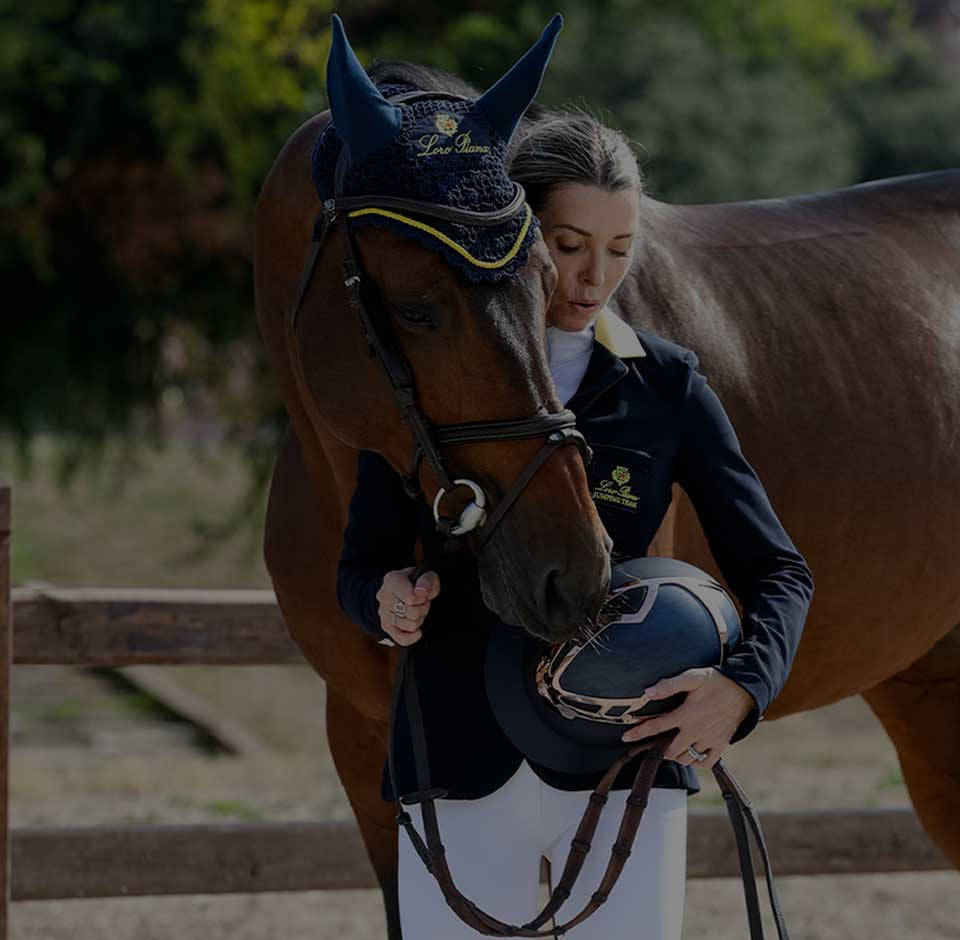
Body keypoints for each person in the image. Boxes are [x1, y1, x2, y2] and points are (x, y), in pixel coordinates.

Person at [337, 107, 814, 939]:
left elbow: (780, 571)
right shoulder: (420, 374)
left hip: (624, 771)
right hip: (454, 760)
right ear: (517, 234)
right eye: (568, 245)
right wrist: (383, 595)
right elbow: (359, 564)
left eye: (619, 250)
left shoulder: (667, 387)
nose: (595, 276)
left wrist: (743, 689)